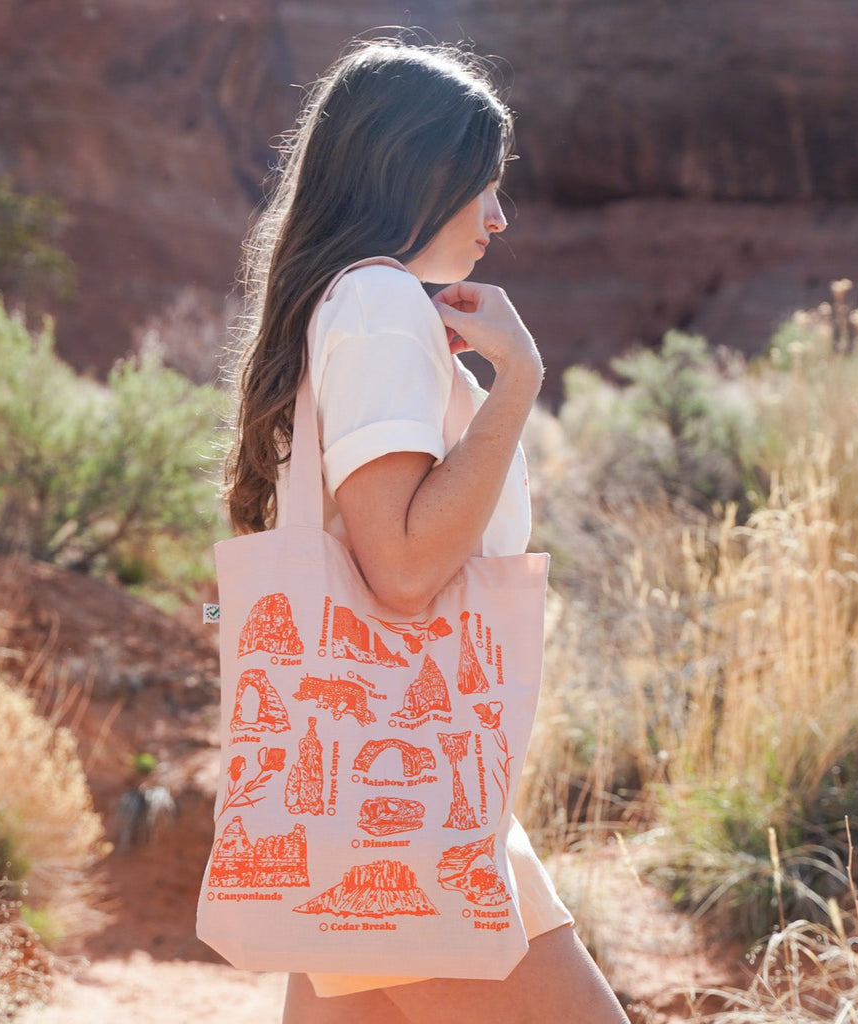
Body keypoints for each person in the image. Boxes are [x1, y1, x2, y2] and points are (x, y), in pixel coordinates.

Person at [223, 35, 631, 1024]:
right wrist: (516, 384)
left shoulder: (345, 305)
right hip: (401, 809)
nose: (499, 215)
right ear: (416, 170)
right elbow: (401, 569)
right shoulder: (374, 304)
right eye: (482, 185)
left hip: (360, 790)